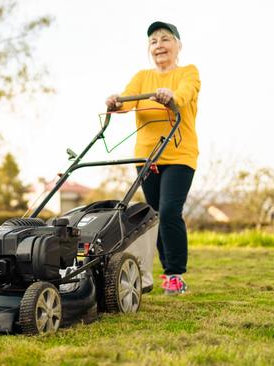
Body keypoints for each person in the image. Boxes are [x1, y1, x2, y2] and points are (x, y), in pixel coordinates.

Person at [105, 21, 200, 295]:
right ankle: (163, 271)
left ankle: (175, 275)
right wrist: (115, 102)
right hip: (147, 156)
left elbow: (184, 95)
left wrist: (171, 96)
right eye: (154, 41)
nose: (159, 45)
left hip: (179, 153)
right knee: (156, 215)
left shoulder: (188, 73)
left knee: (170, 211)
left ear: (178, 45)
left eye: (166, 39)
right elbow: (127, 102)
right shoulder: (142, 76)